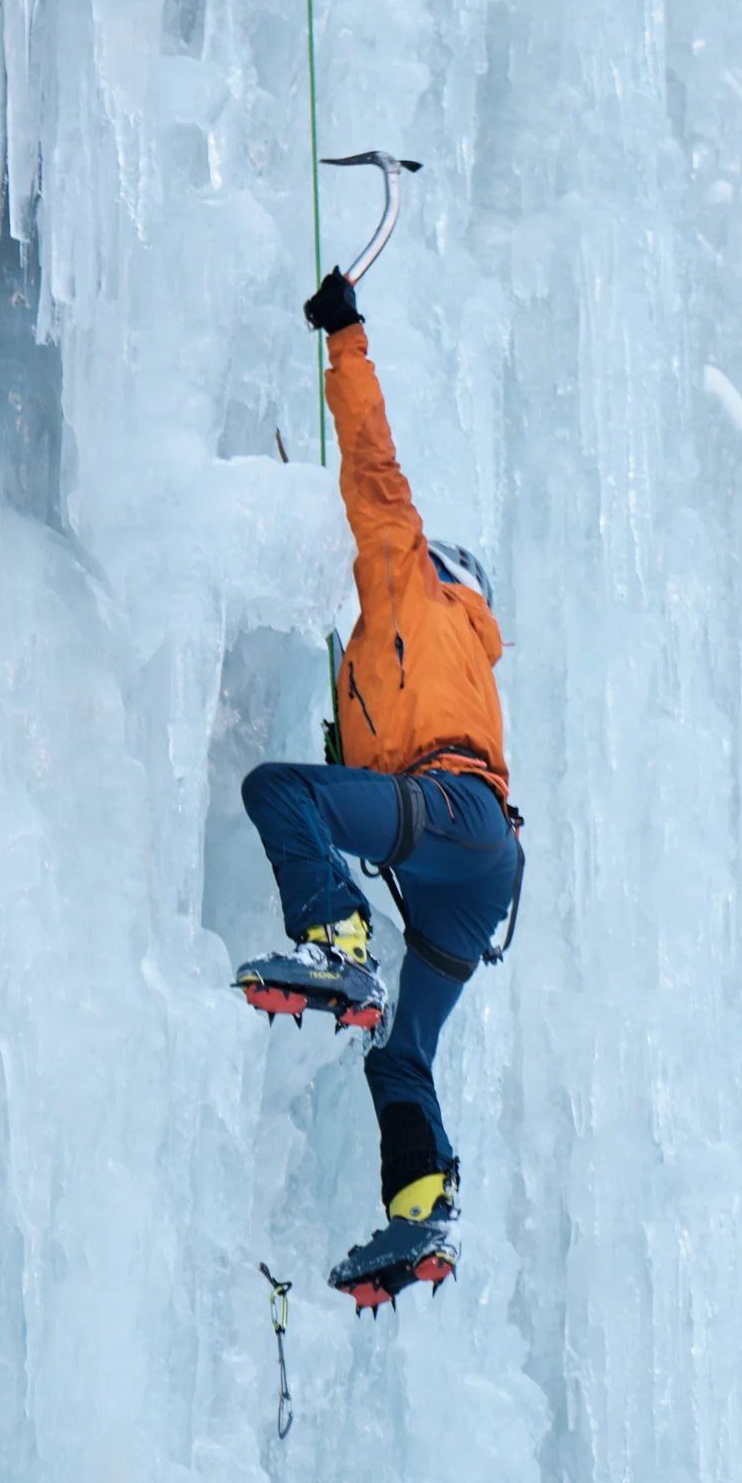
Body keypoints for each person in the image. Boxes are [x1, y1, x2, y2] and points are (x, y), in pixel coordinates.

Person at [234, 265, 522, 1309]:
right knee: (400, 1058)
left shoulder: (415, 581)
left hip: (452, 816)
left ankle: (340, 944)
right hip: (478, 868)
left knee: (282, 793)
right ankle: (422, 1214)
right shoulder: (438, 656)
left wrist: (344, 337)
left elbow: (375, 466)